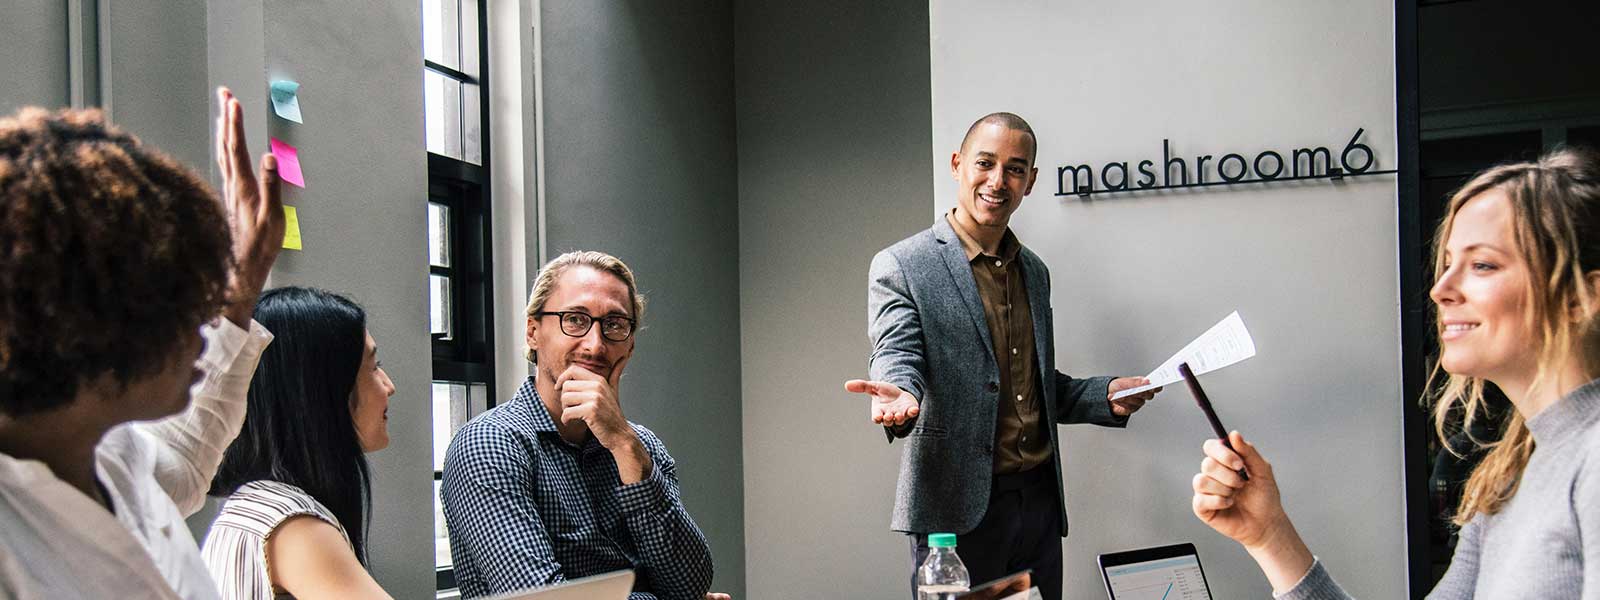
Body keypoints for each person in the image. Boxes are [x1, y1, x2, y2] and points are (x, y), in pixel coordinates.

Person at [1191, 147, 1600, 599]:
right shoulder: (1507, 478)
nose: (1441, 289)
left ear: (1580, 298)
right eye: (1448, 264)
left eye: (1482, 265)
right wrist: (1269, 535)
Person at [844, 112, 1160, 600]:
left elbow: (1032, 384)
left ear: (1030, 181)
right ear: (957, 164)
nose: (998, 181)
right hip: (955, 514)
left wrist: (1106, 395)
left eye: (1014, 169)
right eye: (985, 163)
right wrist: (900, 391)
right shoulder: (903, 264)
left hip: (1037, 505)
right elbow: (896, 351)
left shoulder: (1034, 271)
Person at [0, 87, 283, 599]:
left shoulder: (107, 451)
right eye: (186, 306)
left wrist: (243, 287)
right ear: (104, 322)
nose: (204, 331)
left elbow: (184, 460)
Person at [440, 251, 716, 600]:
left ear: (630, 345)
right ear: (533, 332)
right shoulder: (489, 444)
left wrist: (624, 444)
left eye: (614, 324)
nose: (595, 345)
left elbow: (691, 585)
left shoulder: (640, 446)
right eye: (574, 319)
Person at [202, 287, 397, 599]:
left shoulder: (252, 505)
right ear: (322, 391)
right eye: (374, 367)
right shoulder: (296, 527)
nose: (389, 385)